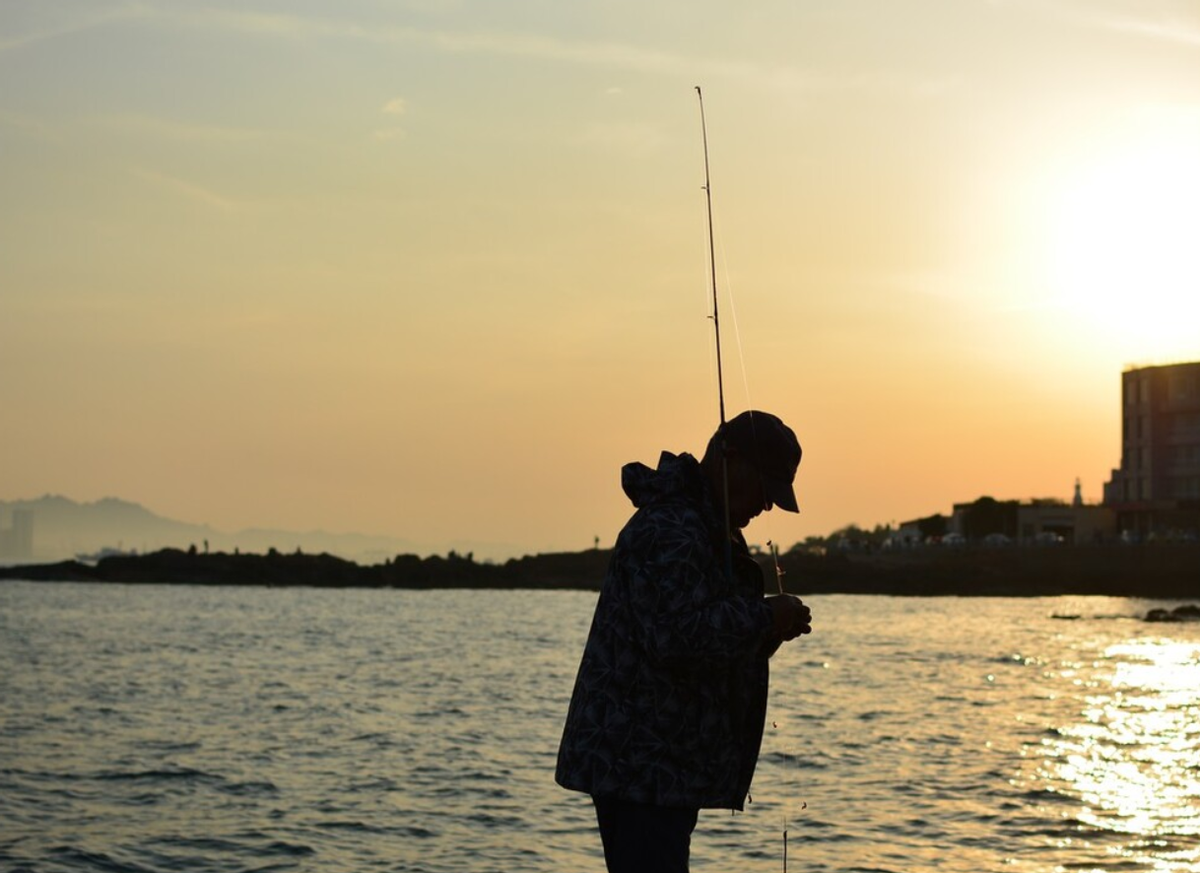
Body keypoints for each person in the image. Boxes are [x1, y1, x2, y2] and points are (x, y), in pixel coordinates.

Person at [555, 409, 813, 873]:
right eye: (766, 488)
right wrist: (762, 616)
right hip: (639, 766)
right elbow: (677, 637)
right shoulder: (672, 528)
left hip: (661, 765)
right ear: (728, 457)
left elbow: (700, 642)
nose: (768, 506)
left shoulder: (703, 526)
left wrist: (769, 629)